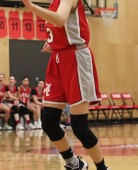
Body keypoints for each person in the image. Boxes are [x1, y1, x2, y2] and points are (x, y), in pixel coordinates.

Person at [21, 0, 110, 170]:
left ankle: (102, 168)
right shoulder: (55, 2)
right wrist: (54, 44)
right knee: (48, 121)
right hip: (58, 58)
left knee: (79, 125)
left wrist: (31, 6)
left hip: (76, 58)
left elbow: (60, 19)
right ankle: (74, 163)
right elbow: (63, 27)